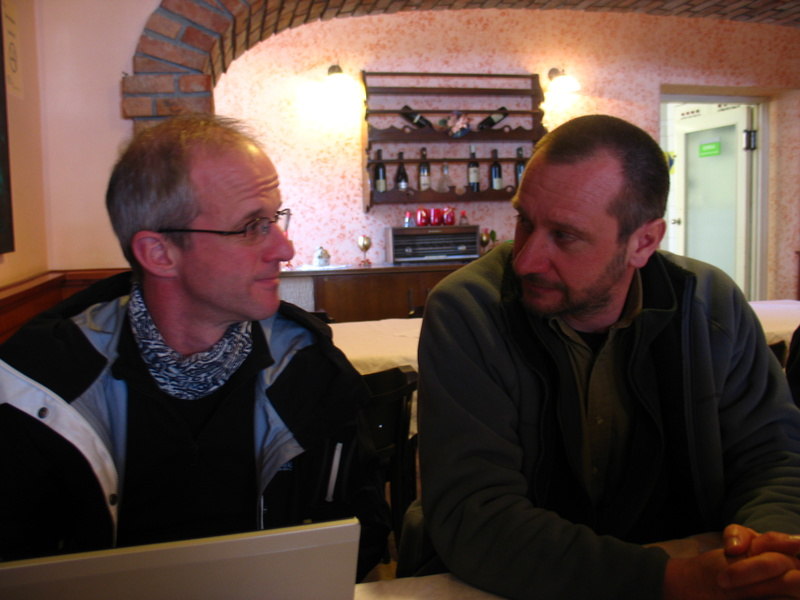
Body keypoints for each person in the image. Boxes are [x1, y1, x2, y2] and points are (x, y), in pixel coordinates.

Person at [415, 114, 800, 598]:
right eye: (525, 221)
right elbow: (476, 516)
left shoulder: (710, 305)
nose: (526, 259)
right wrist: (669, 580)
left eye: (564, 235)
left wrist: (761, 552)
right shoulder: (469, 310)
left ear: (644, 242)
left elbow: (775, 456)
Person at [0, 114, 389, 580]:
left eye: (275, 218)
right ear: (159, 253)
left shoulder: (312, 371)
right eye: (252, 226)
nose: (285, 250)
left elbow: (357, 544)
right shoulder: (39, 389)